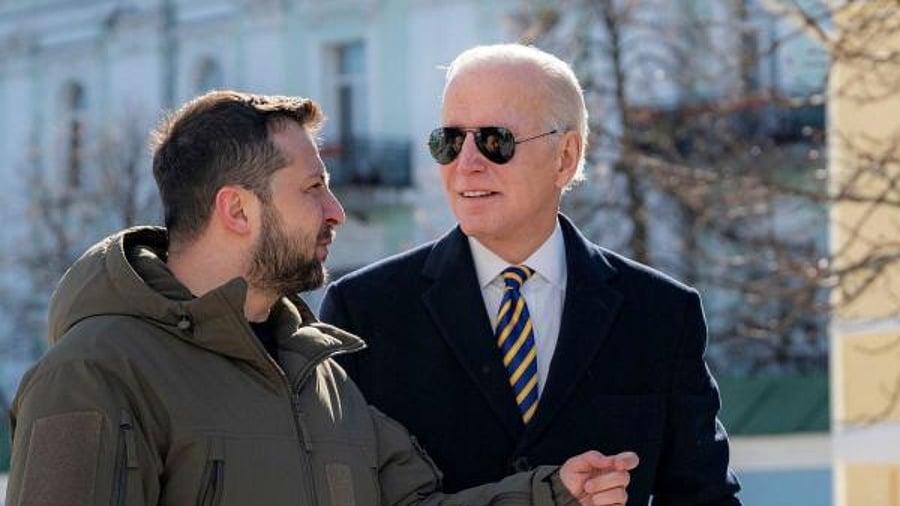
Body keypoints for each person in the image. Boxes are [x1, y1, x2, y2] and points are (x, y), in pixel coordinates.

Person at [5, 90, 639, 506]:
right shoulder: (96, 372)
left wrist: (552, 495)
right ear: (237, 209)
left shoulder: (319, 376)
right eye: (313, 188)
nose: (335, 210)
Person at [320, 44, 742, 505]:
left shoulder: (661, 313)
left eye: (495, 140)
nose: (467, 163)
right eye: (450, 141)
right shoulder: (364, 311)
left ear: (565, 156)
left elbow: (706, 497)